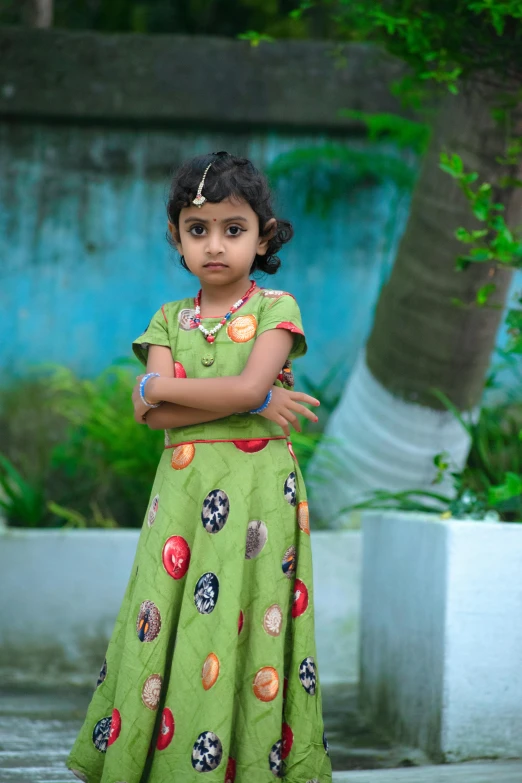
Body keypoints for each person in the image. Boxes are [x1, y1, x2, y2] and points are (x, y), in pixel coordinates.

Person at [67, 151, 333, 783]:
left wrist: (172, 390)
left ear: (263, 235)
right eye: (198, 229)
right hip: (183, 497)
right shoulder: (168, 318)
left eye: (233, 229)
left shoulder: (276, 308)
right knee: (169, 614)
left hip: (257, 498)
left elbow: (198, 396)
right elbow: (159, 417)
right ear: (177, 237)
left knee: (248, 616)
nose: (215, 244)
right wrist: (254, 400)